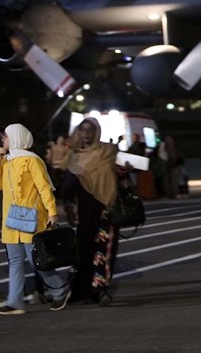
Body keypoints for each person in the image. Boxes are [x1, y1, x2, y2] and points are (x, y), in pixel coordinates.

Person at [0, 123, 71, 315]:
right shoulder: (8, 161)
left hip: (31, 217)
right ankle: (15, 302)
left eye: (6, 137)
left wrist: (52, 213)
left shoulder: (32, 161)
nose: (3, 140)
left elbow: (44, 188)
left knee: (36, 260)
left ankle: (60, 290)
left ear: (16, 138)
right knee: (15, 261)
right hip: (11, 219)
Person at [61, 118, 120, 306]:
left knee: (103, 251)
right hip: (85, 210)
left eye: (89, 130)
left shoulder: (108, 152)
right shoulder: (75, 156)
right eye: (82, 129)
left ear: (97, 132)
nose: (85, 133)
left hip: (106, 209)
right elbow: (69, 186)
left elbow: (125, 173)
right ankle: (83, 291)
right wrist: (69, 208)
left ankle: (100, 290)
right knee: (84, 249)